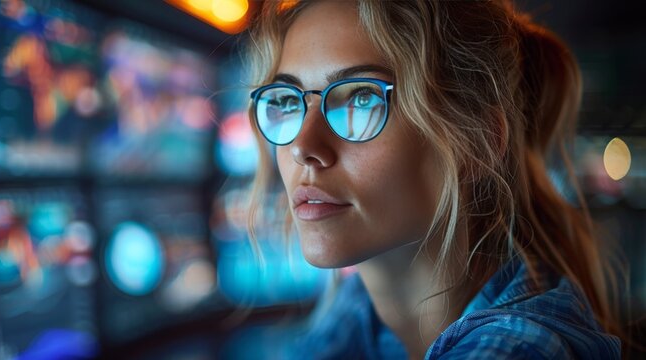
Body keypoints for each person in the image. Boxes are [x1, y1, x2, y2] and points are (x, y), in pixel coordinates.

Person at [244, 0, 626, 358]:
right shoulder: (355, 308)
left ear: (477, 143)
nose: (302, 146)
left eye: (362, 98)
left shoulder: (521, 348)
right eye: (288, 99)